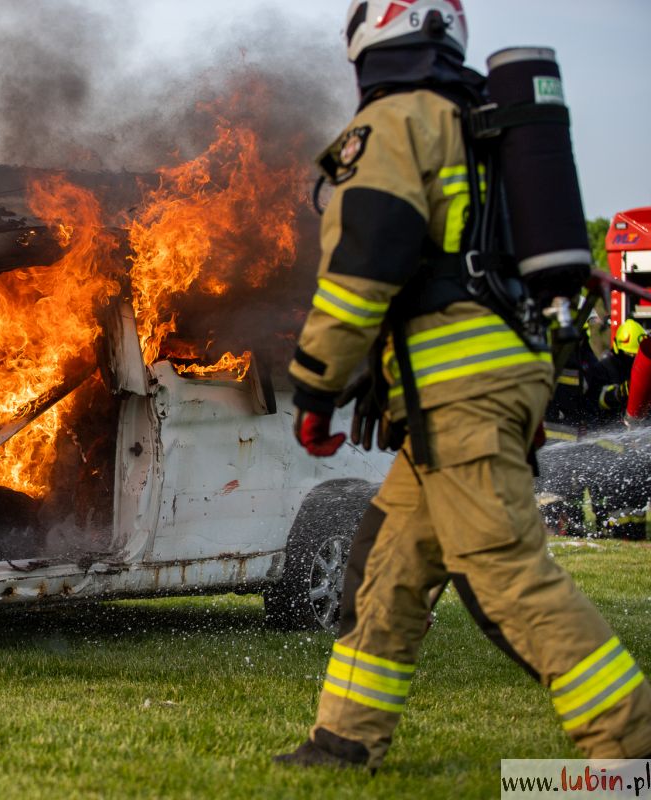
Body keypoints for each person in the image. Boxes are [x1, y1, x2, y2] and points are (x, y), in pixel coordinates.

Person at [276, 0, 651, 770]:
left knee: (507, 579)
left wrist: (316, 388)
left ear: (374, 34)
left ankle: (631, 747)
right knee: (386, 571)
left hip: (458, 395)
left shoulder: (396, 123)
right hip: (478, 388)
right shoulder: (483, 126)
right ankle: (344, 739)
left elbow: (361, 272)